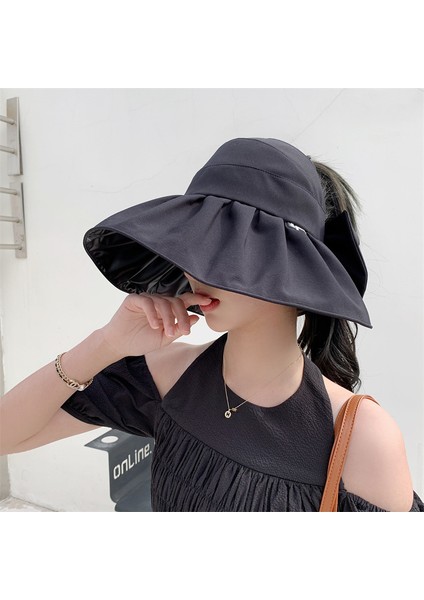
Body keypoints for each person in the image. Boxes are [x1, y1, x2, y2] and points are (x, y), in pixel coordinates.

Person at [1, 137, 423, 512]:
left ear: (289, 263)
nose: (199, 269)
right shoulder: (168, 374)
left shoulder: (361, 436)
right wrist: (105, 344)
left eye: (228, 247)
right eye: (201, 244)